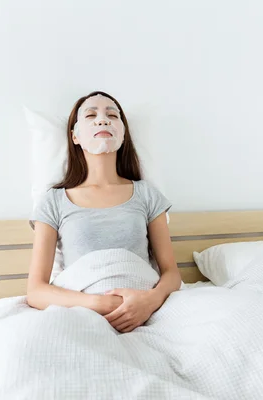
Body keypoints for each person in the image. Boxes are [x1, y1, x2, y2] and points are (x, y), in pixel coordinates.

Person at [26, 91, 181, 333]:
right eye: (90, 115)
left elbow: (171, 273)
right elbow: (36, 291)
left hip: (147, 310)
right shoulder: (53, 201)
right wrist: (97, 303)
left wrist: (149, 301)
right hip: (83, 313)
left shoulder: (146, 194)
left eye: (112, 115)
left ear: (123, 134)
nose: (102, 119)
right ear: (75, 136)